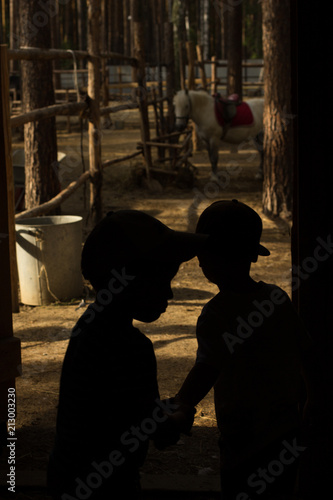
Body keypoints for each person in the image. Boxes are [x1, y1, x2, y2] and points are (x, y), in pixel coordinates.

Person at [47, 209, 206, 500]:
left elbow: (119, 409)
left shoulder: (87, 327)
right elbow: (159, 433)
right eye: (161, 282)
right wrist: (180, 416)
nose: (169, 295)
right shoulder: (133, 348)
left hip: (66, 476)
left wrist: (156, 409)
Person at [173, 199, 314, 499]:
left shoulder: (216, 314)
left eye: (203, 252)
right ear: (253, 255)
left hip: (243, 440)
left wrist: (182, 403)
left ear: (208, 257)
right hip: (286, 432)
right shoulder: (277, 299)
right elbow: (306, 352)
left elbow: (207, 368)